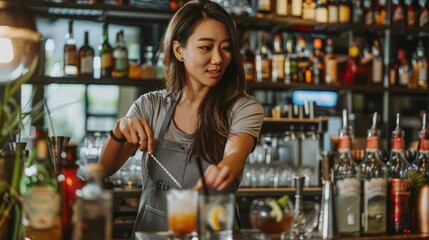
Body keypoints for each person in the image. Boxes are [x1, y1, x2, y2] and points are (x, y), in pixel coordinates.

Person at [98, 0, 264, 233]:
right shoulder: (150, 105)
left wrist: (224, 168)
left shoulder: (243, 108)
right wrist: (120, 129)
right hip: (153, 236)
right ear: (179, 50)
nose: (218, 58)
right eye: (206, 47)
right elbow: (103, 169)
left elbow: (234, 156)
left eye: (226, 48)